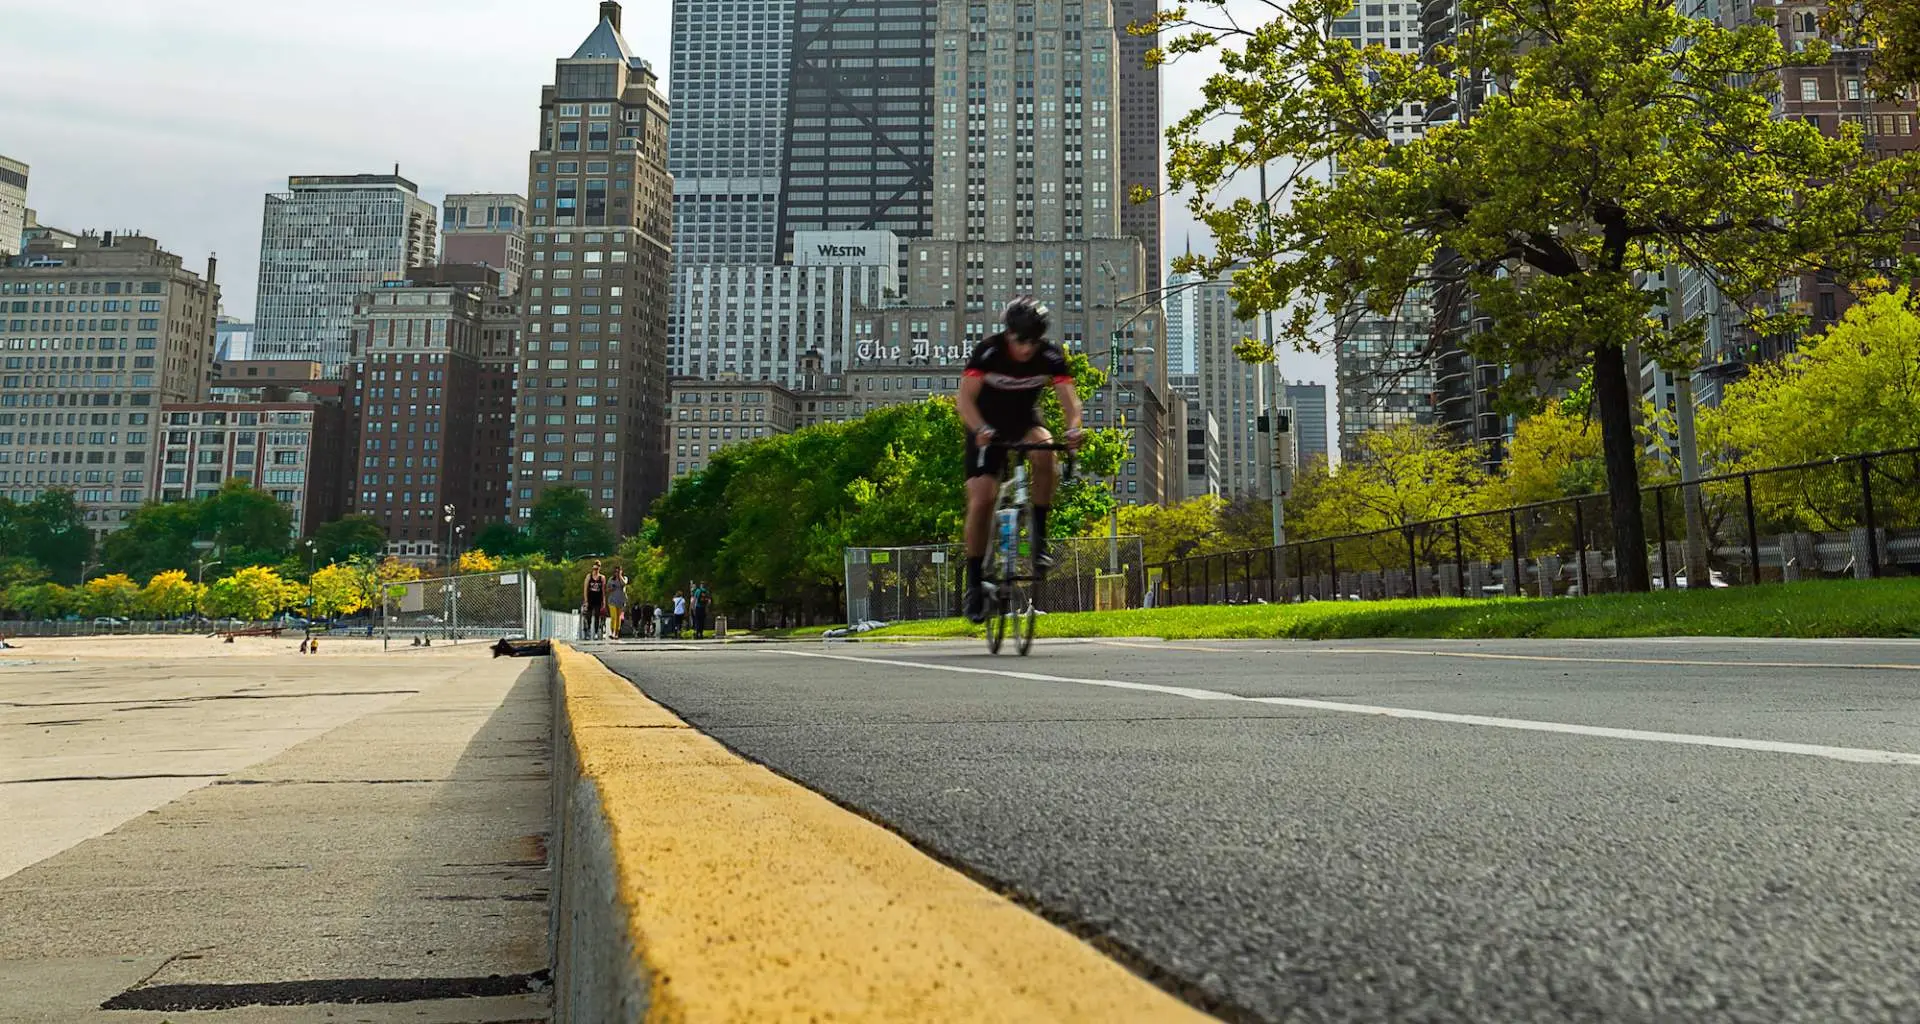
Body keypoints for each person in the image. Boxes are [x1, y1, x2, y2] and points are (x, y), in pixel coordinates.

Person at [957, 296, 1083, 624]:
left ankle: (1039, 536)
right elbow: (965, 401)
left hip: (1024, 421)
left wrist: (1073, 429)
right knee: (982, 499)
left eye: (1033, 341)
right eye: (1021, 340)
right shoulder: (988, 352)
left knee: (1045, 449)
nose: (1027, 348)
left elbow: (1070, 402)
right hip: (985, 427)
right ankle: (974, 582)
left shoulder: (1051, 355)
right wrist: (979, 429)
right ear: (1009, 333)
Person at [582, 562, 608, 640]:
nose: (595, 570)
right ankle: (588, 631)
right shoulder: (589, 576)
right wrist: (586, 600)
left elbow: (603, 591)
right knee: (588, 616)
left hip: (598, 600)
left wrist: (604, 602)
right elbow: (585, 589)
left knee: (597, 616)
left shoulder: (602, 577)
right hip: (590, 599)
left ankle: (596, 632)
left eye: (597, 569)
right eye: (594, 569)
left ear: (599, 568)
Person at [606, 568, 628, 639]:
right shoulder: (611, 579)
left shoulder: (624, 578)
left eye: (618, 571)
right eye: (616, 571)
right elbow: (607, 589)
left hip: (621, 601)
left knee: (618, 618)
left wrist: (620, 576)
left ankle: (616, 634)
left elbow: (624, 584)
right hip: (612, 601)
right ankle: (612, 633)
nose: (617, 573)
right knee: (613, 617)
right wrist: (611, 589)